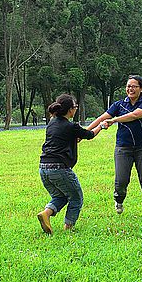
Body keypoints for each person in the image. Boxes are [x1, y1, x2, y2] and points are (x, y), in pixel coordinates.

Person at [88, 75, 142, 221]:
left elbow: (134, 115)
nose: (130, 89)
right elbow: (102, 118)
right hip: (123, 148)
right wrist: (86, 132)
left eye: (134, 86)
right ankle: (119, 199)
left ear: (141, 89)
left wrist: (114, 119)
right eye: (128, 86)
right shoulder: (119, 105)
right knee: (121, 181)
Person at [37, 94, 106, 234]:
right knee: (76, 197)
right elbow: (90, 134)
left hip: (43, 168)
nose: (76, 109)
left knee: (60, 196)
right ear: (70, 110)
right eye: (75, 107)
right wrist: (102, 126)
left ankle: (46, 213)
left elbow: (63, 138)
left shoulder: (52, 123)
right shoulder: (71, 126)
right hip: (59, 168)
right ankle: (68, 227)